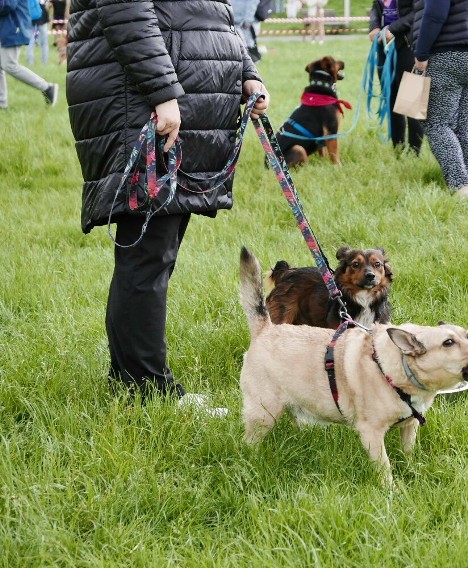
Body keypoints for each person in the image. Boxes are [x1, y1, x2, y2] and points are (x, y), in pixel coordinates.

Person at [66, 0, 270, 407]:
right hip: (144, 101)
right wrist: (161, 93)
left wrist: (246, 73)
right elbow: (125, 11)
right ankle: (147, 389)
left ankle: (131, 379)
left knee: (156, 254)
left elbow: (214, 15)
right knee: (147, 257)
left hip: (177, 101)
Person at [412, 0, 468, 198]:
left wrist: (421, 52)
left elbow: (436, 14)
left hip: (449, 52)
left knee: (437, 123)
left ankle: (461, 185)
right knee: (466, 122)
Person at [369, 0, 424, 154]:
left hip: (409, 45)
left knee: (412, 103)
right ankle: (398, 150)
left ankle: (414, 154)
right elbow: (375, 9)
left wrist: (393, 29)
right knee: (391, 101)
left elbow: (420, 11)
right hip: (384, 48)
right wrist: (374, 27)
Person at [0, 0, 59, 110]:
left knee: (10, 65)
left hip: (13, 27)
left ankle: (47, 88)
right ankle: (2, 104)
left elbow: (8, 5)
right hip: (6, 27)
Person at [26, 0, 48, 65]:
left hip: (30, 17)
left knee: (30, 41)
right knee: (44, 42)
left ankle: (30, 62)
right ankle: (45, 62)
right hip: (42, 17)